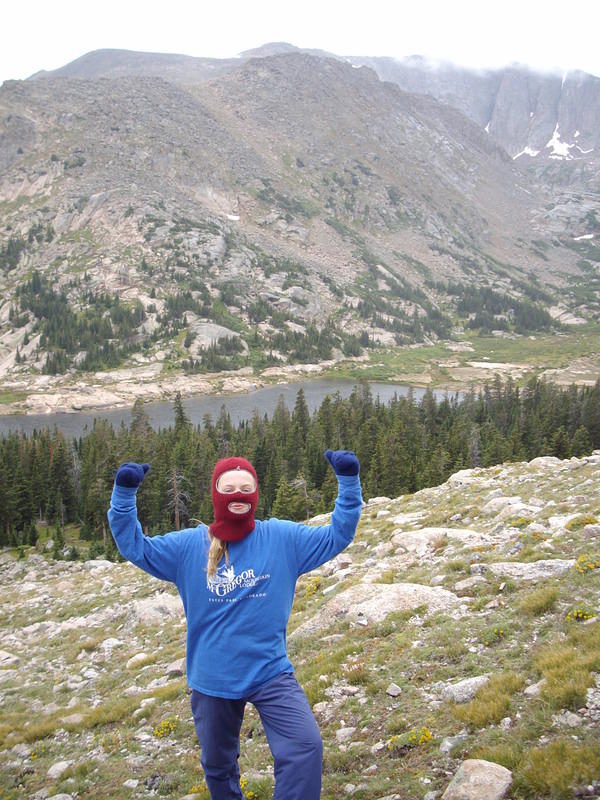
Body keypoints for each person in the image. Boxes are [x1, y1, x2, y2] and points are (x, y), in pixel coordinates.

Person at [107, 449, 362, 800]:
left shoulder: (282, 539)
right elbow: (135, 547)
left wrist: (348, 483)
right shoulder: (188, 547)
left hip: (270, 671)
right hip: (212, 679)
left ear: (256, 493)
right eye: (229, 488)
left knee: (305, 746)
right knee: (218, 766)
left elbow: (337, 535)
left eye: (246, 487)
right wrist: (124, 496)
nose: (238, 495)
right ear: (215, 494)